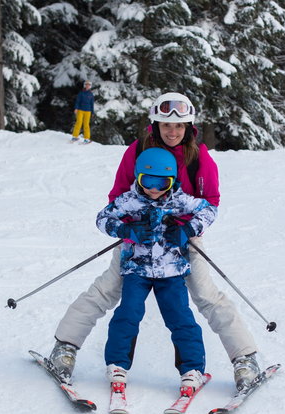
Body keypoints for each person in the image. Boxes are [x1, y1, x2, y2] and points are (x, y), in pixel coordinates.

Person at [48, 92, 262, 391]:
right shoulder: (137, 151)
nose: (172, 132)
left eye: (178, 126)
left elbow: (210, 203)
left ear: (188, 126)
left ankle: (245, 359)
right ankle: (65, 347)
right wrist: (128, 228)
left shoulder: (199, 156)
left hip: (181, 237)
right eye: (165, 126)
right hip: (138, 239)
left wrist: (187, 228)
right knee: (107, 289)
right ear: (155, 125)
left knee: (205, 294)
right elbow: (118, 196)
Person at [98, 147, 216, 396]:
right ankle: (117, 364)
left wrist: (188, 229)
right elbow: (102, 218)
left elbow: (209, 210)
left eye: (162, 181)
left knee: (180, 318)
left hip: (171, 270)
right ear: (138, 177)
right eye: (147, 180)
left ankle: (192, 370)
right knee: (128, 314)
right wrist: (126, 231)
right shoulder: (129, 200)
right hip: (136, 270)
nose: (154, 188)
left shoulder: (180, 199)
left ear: (172, 180)